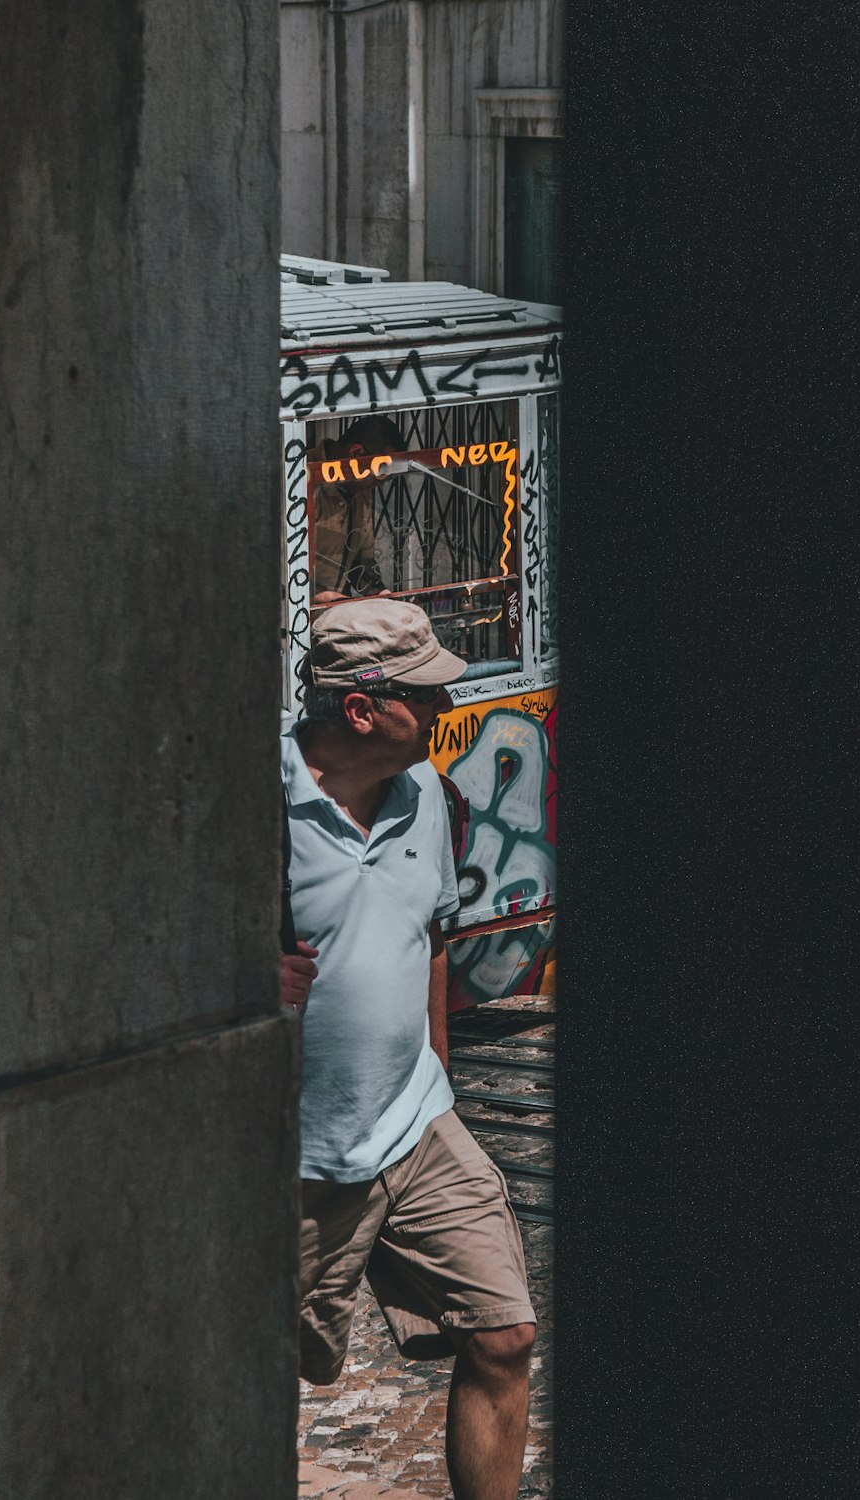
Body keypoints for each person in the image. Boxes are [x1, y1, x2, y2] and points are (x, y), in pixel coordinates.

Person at [280, 599, 536, 1500]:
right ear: (360, 709)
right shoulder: (245, 798)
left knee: (504, 1336)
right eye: (423, 697)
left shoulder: (425, 787)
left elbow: (430, 932)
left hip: (417, 1125)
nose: (441, 711)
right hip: (294, 1162)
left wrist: (441, 1073)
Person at [308, 414, 406, 604]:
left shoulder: (359, 489)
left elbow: (361, 561)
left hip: (332, 609)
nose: (380, 485)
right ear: (356, 453)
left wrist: (380, 593)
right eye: (381, 474)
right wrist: (318, 594)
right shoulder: (299, 480)